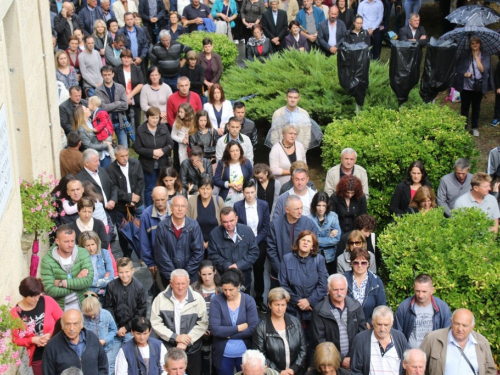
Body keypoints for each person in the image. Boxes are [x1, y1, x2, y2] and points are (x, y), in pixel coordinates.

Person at [279, 231, 328, 359]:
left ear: (313, 246)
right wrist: (299, 302)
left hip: (313, 311)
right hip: (292, 310)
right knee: (293, 345)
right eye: (303, 240)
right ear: (298, 242)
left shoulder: (319, 260)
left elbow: (323, 285)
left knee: (312, 345)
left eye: (309, 241)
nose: (305, 242)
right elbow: (283, 284)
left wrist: (309, 301)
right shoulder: (287, 259)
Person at [150, 269, 209, 375]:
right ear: (171, 283)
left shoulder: (198, 299)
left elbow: (202, 323)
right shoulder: (160, 299)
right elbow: (156, 323)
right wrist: (175, 337)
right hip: (168, 349)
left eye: (183, 283)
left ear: (189, 282)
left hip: (192, 350)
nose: (180, 287)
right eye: (177, 284)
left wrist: (186, 340)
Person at [209, 269, 259, 375]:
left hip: (245, 354)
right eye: (225, 290)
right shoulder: (216, 301)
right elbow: (215, 329)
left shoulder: (248, 300)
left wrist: (227, 334)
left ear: (239, 286)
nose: (227, 293)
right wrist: (239, 328)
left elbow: (253, 328)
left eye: (231, 290)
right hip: (223, 354)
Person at [312, 274, 366, 371]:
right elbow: (319, 340)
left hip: (354, 361)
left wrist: (352, 357)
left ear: (347, 289)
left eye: (342, 289)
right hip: (330, 363)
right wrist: (341, 359)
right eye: (335, 289)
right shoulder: (319, 310)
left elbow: (362, 334)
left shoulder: (356, 307)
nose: (339, 293)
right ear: (328, 289)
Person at [11, 277, 63, 375]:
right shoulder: (15, 314)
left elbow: (62, 320)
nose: (37, 298)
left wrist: (51, 335)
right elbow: (15, 339)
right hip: (37, 356)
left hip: (57, 348)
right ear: (24, 295)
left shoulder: (47, 301)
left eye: (38, 295)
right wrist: (33, 340)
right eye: (33, 296)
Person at [420, 308, 496, 375]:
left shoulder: (482, 342)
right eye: (456, 324)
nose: (460, 329)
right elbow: (416, 365)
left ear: (472, 326)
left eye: (465, 325)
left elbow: (490, 370)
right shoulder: (433, 339)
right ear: (451, 322)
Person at [234, 179, 270, 311]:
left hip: (259, 241)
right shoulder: (238, 206)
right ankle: (245, 299)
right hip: (243, 242)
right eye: (247, 192)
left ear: (255, 191)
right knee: (244, 271)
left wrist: (256, 240)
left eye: (252, 192)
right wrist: (247, 240)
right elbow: (237, 225)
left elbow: (266, 225)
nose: (250, 195)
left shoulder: (263, 205)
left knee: (259, 270)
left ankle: (259, 298)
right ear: (243, 193)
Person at [252, 287, 307, 374]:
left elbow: (303, 348)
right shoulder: (261, 328)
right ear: (269, 305)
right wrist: (279, 372)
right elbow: (260, 356)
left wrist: (294, 368)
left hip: (296, 372)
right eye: (277, 305)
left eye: (283, 305)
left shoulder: (295, 322)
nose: (280, 309)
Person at [267, 195, 317, 287]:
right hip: (279, 273)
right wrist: (281, 270)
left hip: (303, 273)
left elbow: (314, 249)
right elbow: (271, 251)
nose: (300, 211)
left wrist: (304, 269)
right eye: (296, 209)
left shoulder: (309, 224)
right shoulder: (275, 224)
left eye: (301, 208)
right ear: (287, 210)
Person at [153, 195, 204, 284]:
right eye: (176, 206)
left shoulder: (194, 226)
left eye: (183, 206)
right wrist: (173, 277)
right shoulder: (162, 226)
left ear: (186, 208)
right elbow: (161, 255)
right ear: (171, 208)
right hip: (168, 279)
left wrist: (185, 275)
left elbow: (198, 252)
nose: (180, 209)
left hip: (190, 278)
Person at [41, 225, 94, 310]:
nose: (70, 245)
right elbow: (49, 290)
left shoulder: (83, 253)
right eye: (66, 241)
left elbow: (88, 280)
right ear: (57, 241)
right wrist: (77, 281)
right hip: (60, 309)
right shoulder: (47, 260)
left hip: (83, 307)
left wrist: (62, 283)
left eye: (72, 241)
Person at [208, 206, 260, 290]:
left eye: (231, 220)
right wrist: (227, 266)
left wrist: (238, 265)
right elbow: (213, 255)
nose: (229, 224)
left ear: (236, 218)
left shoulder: (247, 231)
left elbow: (254, 252)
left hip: (244, 276)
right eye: (225, 222)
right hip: (223, 277)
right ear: (221, 221)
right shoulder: (214, 234)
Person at [42, 309, 109, 374]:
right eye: (68, 324)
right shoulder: (52, 346)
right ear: (62, 325)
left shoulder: (92, 338)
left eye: (75, 324)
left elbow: (103, 365)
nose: (71, 328)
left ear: (82, 324)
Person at [394, 274, 452, 349]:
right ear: (413, 288)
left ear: (432, 290)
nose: (420, 295)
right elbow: (397, 334)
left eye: (424, 291)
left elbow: (447, 333)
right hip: (410, 354)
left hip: (433, 354)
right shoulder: (404, 307)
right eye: (417, 291)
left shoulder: (442, 308)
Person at [106, 145, 144, 256]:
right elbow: (114, 188)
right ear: (116, 156)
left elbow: (140, 181)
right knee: (123, 232)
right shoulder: (110, 169)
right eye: (122, 156)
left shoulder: (135, 163)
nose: (125, 158)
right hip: (121, 206)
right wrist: (128, 197)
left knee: (140, 229)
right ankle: (126, 254)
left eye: (127, 155)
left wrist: (135, 198)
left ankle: (142, 253)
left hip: (137, 203)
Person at [350, 306, 409, 375]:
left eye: (386, 325)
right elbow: (355, 370)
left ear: (392, 323)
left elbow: (407, 365)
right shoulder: (361, 339)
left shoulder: (400, 338)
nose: (382, 329)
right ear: (372, 321)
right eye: (379, 324)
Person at [134, 106, 174, 207]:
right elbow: (137, 148)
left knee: (163, 186)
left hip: (163, 164)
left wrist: (162, 151)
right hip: (148, 165)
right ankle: (149, 208)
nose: (155, 120)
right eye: (153, 118)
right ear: (147, 117)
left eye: (157, 118)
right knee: (149, 188)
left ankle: (164, 207)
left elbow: (170, 144)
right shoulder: (141, 130)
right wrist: (152, 153)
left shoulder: (163, 128)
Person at [104, 257, 148, 346]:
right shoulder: (111, 286)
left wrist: (126, 327)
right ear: (117, 272)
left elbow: (141, 311)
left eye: (127, 272)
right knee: (111, 359)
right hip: (114, 329)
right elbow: (108, 308)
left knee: (132, 356)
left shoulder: (139, 287)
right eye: (121, 272)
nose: (124, 275)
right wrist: (116, 328)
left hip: (132, 330)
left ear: (133, 271)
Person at [454, 36, 493, 137]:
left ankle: (474, 127)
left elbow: (483, 70)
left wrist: (476, 57)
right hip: (466, 86)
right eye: (472, 43)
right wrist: (464, 73)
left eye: (476, 43)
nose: (475, 45)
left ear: (480, 44)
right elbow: (459, 68)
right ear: (470, 45)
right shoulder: (465, 54)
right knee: (464, 107)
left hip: (478, 86)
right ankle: (463, 127)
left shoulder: (485, 55)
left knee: (476, 108)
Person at [191, 260, 221, 375]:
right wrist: (201, 329)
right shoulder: (193, 289)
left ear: (215, 272)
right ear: (199, 274)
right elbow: (191, 312)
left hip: (218, 330)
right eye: (204, 274)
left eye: (209, 274)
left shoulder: (222, 288)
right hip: (199, 329)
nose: (207, 277)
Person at [139, 186, 171, 293]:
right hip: (157, 260)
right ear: (152, 198)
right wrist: (150, 262)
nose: (160, 202)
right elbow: (144, 241)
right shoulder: (146, 215)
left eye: (163, 199)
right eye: (157, 200)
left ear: (167, 197)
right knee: (161, 290)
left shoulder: (175, 210)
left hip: (175, 257)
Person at [344, 247, 385, 327]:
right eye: (356, 262)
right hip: (347, 325)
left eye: (363, 263)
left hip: (368, 327)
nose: (360, 266)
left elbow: (381, 307)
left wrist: (370, 323)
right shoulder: (343, 279)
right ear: (351, 263)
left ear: (368, 264)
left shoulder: (376, 281)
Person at [81, 291, 119, 373]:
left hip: (107, 349)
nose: (91, 316)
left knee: (106, 369)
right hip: (90, 350)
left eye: (93, 314)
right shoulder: (82, 317)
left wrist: (105, 340)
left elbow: (114, 330)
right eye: (88, 315)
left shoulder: (106, 314)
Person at [95, 65, 129, 146]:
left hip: (120, 122)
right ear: (102, 75)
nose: (107, 77)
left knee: (124, 147)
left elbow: (125, 105)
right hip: (106, 124)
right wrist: (117, 103)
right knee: (110, 149)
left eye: (109, 74)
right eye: (105, 75)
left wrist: (109, 107)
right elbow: (103, 108)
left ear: (113, 74)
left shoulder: (120, 87)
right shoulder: (98, 90)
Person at [76, 148, 118, 214]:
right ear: (87, 163)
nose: (98, 163)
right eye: (95, 161)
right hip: (95, 215)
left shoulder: (102, 171)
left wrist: (113, 200)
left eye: (98, 160)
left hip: (111, 212)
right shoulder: (80, 178)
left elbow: (113, 186)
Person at [187, 177, 225, 248]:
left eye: (208, 189)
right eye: (202, 188)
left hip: (216, 242)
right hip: (196, 242)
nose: (205, 191)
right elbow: (187, 223)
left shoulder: (218, 200)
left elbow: (224, 222)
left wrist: (210, 242)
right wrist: (200, 241)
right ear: (198, 189)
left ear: (212, 190)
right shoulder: (192, 201)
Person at [113, 49, 145, 131]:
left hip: (135, 100)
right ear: (121, 58)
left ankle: (137, 142)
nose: (126, 59)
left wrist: (129, 96)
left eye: (128, 57)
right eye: (124, 57)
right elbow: (116, 86)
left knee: (137, 123)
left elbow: (141, 84)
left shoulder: (137, 69)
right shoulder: (116, 70)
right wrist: (125, 98)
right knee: (125, 124)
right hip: (122, 101)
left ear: (131, 59)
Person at [310, 192, 341, 275]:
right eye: (318, 205)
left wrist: (316, 240)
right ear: (314, 205)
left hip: (330, 258)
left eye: (323, 205)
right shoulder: (309, 219)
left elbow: (336, 239)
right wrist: (328, 236)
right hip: (314, 256)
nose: (321, 208)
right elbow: (310, 241)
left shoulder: (333, 216)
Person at [215, 141, 254, 205]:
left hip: (244, 196)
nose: (235, 153)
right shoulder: (222, 163)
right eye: (232, 151)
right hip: (227, 197)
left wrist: (244, 184)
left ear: (240, 151)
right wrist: (230, 184)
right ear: (228, 152)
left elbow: (252, 177)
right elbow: (216, 180)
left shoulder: (246, 162)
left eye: (237, 150)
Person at [78, 229, 113, 298]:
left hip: (105, 294)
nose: (91, 248)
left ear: (97, 243)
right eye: (87, 245)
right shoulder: (79, 258)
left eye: (93, 244)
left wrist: (91, 283)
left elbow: (110, 278)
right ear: (82, 246)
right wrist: (103, 280)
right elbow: (81, 282)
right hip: (88, 295)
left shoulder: (104, 253)